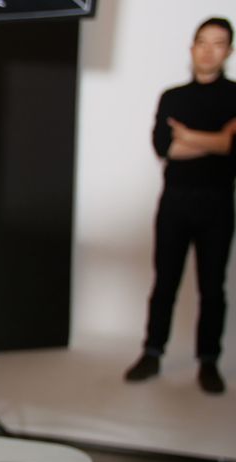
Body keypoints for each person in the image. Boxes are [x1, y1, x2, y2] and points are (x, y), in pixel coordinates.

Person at [125, 17, 236, 394]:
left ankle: (209, 361)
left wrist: (188, 136)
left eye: (218, 43)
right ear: (191, 48)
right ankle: (152, 352)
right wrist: (216, 139)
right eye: (201, 42)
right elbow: (164, 148)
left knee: (212, 287)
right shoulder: (172, 97)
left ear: (229, 50)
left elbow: (231, 151)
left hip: (218, 204)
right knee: (164, 282)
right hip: (174, 203)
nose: (208, 50)